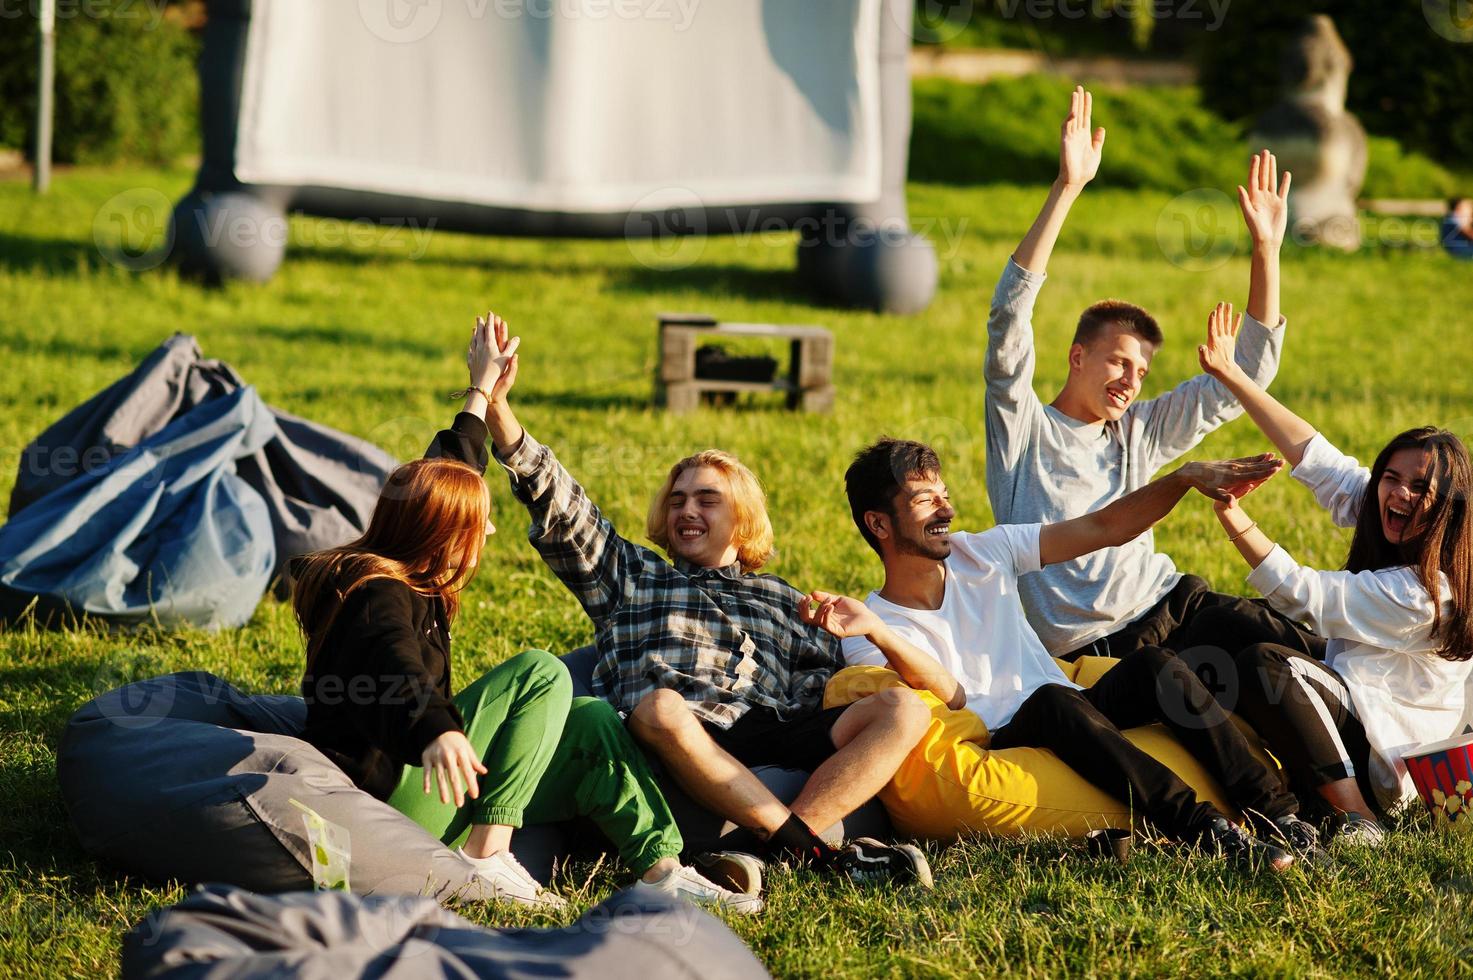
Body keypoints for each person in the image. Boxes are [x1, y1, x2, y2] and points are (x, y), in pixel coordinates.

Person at [295, 316, 760, 913]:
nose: (489, 530)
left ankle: (662, 870)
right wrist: (435, 728)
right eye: (477, 522)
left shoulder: (413, 567)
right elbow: (392, 664)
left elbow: (451, 469)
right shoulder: (375, 590)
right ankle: (486, 856)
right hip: (393, 790)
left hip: (433, 777)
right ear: (442, 534)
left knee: (590, 717)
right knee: (541, 670)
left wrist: (482, 391)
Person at [477, 312, 935, 887]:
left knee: (904, 710)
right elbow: (562, 506)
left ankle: (771, 855)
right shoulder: (630, 573)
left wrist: (867, 634)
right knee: (661, 708)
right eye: (677, 501)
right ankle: (814, 854)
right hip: (676, 734)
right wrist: (498, 411)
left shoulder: (786, 599)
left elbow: (834, 691)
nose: (687, 510)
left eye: (707, 500)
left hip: (767, 730)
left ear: (742, 519)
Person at [819, 434, 1318, 868]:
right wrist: (884, 634)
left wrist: (1183, 479)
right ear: (879, 524)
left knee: (1152, 665)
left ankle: (1278, 812)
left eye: (944, 495)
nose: (947, 509)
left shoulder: (984, 552)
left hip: (1071, 704)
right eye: (926, 500)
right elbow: (952, 697)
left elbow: (1103, 529)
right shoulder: (867, 627)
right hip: (1007, 734)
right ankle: (1203, 828)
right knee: (1053, 703)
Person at [985, 85, 1295, 661]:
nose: (1132, 380)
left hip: (1171, 601)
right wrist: (1067, 187)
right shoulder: (1022, 432)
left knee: (1287, 640)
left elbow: (1250, 373)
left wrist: (1266, 249)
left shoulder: (1139, 433)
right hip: (1098, 646)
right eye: (1119, 362)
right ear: (1077, 356)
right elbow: (1008, 319)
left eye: (1142, 371)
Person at [1183, 300, 1473, 846]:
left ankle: (1356, 816)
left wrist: (1232, 516)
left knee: (1268, 666)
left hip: (1388, 758)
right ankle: (1212, 754)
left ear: (1446, 508)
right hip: (1353, 688)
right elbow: (1313, 456)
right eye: (1392, 478)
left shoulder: (1428, 595)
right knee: (1217, 624)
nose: (1399, 493)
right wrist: (1233, 376)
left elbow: (1305, 596)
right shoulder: (1389, 513)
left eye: (1418, 488)